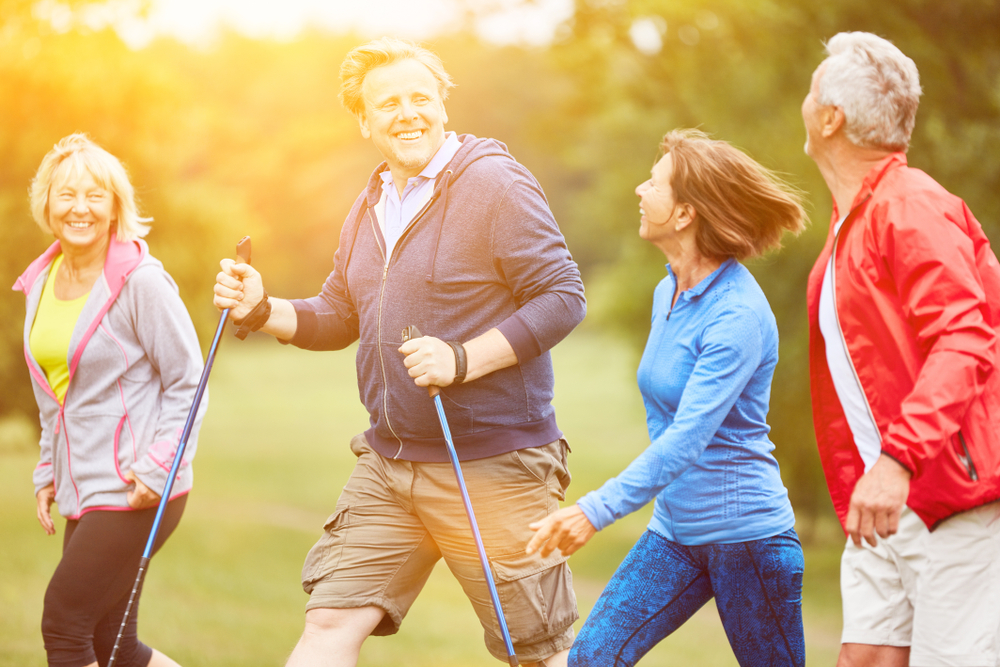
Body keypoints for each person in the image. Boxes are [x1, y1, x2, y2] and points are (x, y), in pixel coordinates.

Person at [212, 37, 585, 667]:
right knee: (329, 619)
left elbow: (561, 295)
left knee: (539, 652)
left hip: (494, 465)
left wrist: (462, 360)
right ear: (364, 121)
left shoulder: (494, 181)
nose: (408, 112)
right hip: (391, 466)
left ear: (443, 102)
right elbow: (338, 315)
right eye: (388, 103)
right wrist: (259, 308)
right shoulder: (370, 204)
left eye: (420, 97)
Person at [526, 128, 807, 666]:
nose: (639, 190)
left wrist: (594, 509)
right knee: (591, 659)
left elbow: (687, 439)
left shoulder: (737, 314)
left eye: (654, 184)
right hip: (675, 532)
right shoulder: (667, 290)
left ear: (684, 215)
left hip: (747, 538)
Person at [801, 32, 1000, 667]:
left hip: (948, 497)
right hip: (884, 504)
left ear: (831, 117)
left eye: (812, 91)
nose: (804, 104)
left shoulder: (910, 206)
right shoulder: (851, 223)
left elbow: (965, 337)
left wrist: (898, 460)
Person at [13, 133, 205, 667]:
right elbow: (55, 393)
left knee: (64, 621)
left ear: (116, 206)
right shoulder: (42, 280)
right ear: (47, 203)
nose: (80, 208)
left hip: (136, 486)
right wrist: (48, 469)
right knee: (112, 645)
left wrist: (159, 465)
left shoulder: (141, 281)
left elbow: (189, 381)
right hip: (84, 487)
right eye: (67, 194)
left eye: (96, 195)